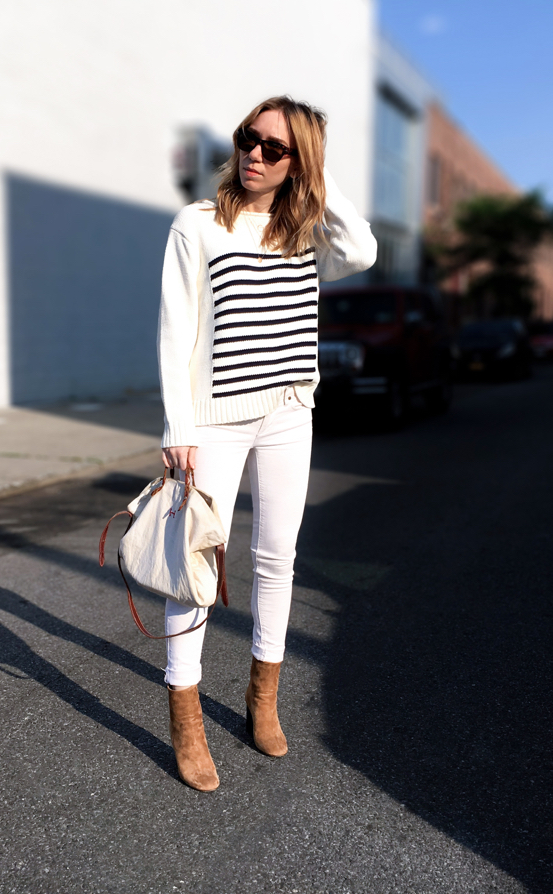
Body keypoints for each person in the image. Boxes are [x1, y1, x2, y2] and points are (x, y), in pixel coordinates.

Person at [157, 95, 377, 790]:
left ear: (298, 162)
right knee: (194, 563)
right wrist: (178, 427)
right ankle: (187, 719)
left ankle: (263, 698)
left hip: (289, 413)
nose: (254, 153)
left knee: (276, 559)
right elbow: (176, 331)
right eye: (249, 138)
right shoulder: (198, 223)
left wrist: (318, 174)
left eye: (275, 148)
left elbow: (364, 250)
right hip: (216, 419)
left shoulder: (305, 231)